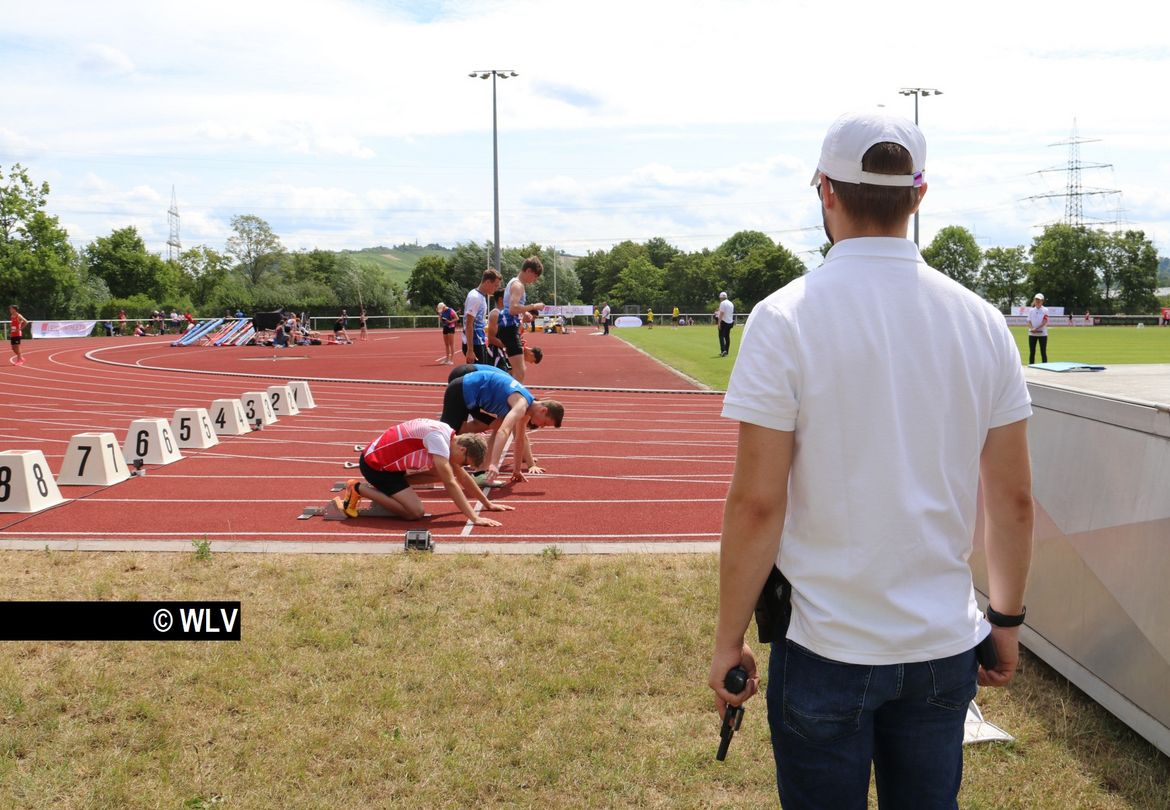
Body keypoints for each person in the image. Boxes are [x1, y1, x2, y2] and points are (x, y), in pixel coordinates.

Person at [708, 110, 1034, 809]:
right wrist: (1004, 622)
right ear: (919, 196)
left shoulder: (783, 318)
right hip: (943, 643)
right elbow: (1011, 502)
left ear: (824, 190)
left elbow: (758, 502)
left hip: (826, 643)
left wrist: (729, 638)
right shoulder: (981, 322)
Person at [333, 419, 512, 527]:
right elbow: (451, 482)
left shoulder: (449, 435)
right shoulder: (438, 440)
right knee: (415, 513)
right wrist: (474, 517)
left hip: (388, 463)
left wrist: (487, 504)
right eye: (466, 462)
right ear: (463, 450)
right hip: (375, 466)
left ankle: (391, 489)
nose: (463, 466)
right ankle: (358, 488)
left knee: (441, 472)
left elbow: (462, 476)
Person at [439, 364, 563, 485]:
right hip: (461, 389)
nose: (541, 426)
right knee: (445, 435)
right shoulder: (521, 405)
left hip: (471, 393)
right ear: (543, 410)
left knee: (487, 426)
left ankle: (480, 473)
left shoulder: (526, 410)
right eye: (545, 423)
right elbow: (503, 431)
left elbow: (519, 439)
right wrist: (494, 463)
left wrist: (517, 470)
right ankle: (424, 472)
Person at [499, 256, 546, 382]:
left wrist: (524, 313)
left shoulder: (515, 283)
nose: (534, 280)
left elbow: (511, 307)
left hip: (509, 328)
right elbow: (512, 309)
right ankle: (512, 398)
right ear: (529, 271)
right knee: (520, 372)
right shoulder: (518, 285)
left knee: (514, 371)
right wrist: (534, 306)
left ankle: (509, 396)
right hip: (509, 329)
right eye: (535, 276)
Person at [463, 268, 502, 365]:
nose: (496, 289)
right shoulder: (475, 297)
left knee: (481, 374)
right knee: (478, 376)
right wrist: (470, 350)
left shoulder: (480, 296)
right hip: (475, 343)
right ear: (488, 282)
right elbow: (469, 324)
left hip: (479, 341)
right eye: (495, 285)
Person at [1027, 293, 1049, 364]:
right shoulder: (1031, 310)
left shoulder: (1045, 310)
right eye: (1036, 299)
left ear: (1042, 301)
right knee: (1032, 352)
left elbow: (1045, 321)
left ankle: (1045, 366)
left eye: (1039, 300)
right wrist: (1032, 328)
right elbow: (1028, 321)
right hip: (1032, 334)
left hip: (1042, 334)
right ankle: (1031, 366)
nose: (1037, 301)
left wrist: (1036, 328)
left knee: (1043, 351)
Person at [715, 292, 734, 356]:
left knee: (721, 336)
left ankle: (723, 350)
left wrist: (719, 323)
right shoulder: (731, 303)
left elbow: (721, 314)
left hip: (724, 321)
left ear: (721, 297)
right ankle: (727, 351)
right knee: (727, 336)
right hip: (730, 322)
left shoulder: (722, 303)